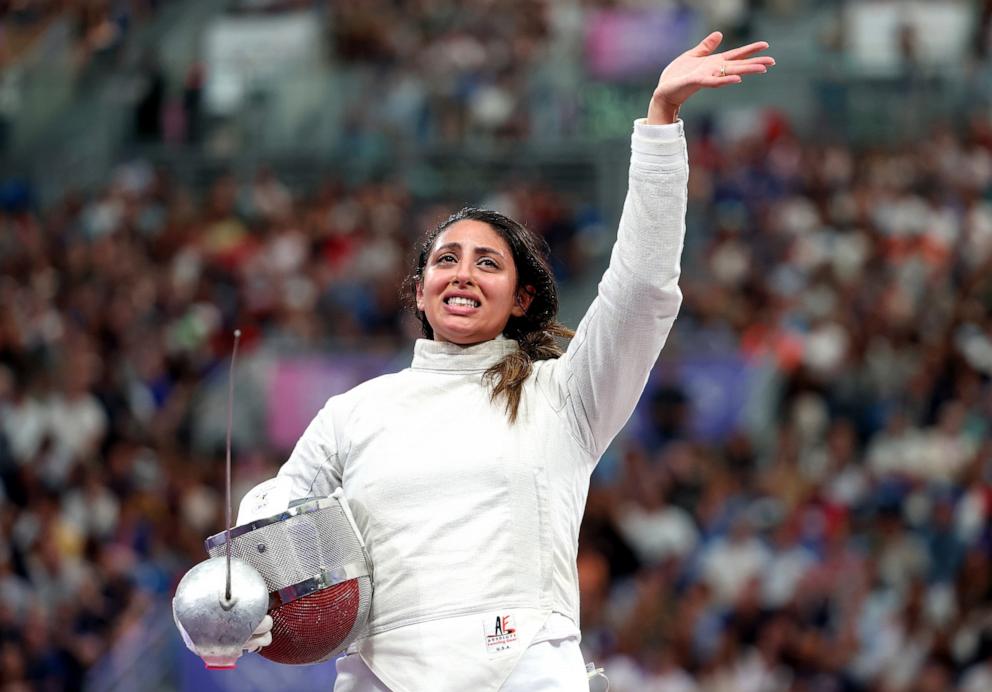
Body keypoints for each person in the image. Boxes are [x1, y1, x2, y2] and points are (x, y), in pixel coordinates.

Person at [246, 31, 774, 691]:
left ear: (521, 296)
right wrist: (239, 588)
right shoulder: (353, 414)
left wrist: (660, 125)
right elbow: (274, 522)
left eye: (487, 263)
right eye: (446, 260)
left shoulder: (567, 396)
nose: (463, 275)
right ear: (418, 291)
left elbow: (642, 291)